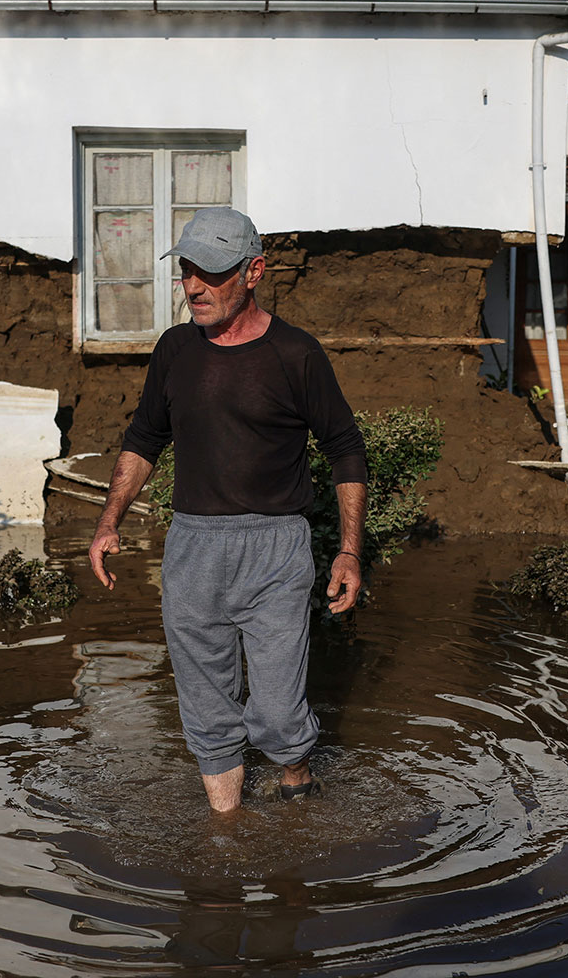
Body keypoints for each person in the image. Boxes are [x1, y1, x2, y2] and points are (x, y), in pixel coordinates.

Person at [87, 206, 368, 814]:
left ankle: (297, 792)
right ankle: (228, 838)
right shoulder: (174, 350)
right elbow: (143, 438)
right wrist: (110, 519)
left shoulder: (297, 354)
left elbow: (344, 447)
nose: (193, 286)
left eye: (210, 273)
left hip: (275, 547)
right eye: (187, 270)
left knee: (277, 709)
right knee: (207, 710)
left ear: (254, 272)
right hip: (192, 548)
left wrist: (349, 551)